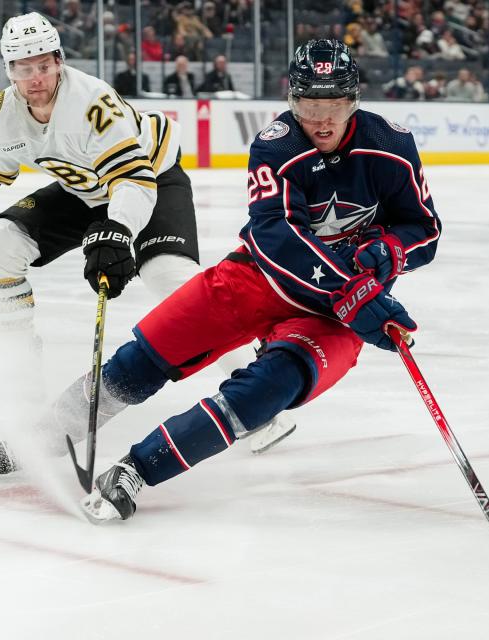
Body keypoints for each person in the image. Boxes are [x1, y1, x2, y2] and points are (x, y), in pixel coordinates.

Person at [70, 39, 441, 522]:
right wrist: (350, 290)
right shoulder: (277, 145)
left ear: (355, 99)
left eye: (336, 105)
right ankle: (43, 435)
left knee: (267, 391)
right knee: (146, 356)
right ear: (292, 99)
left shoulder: (391, 145)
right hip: (258, 280)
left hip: (336, 315)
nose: (323, 120)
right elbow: (274, 234)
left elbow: (425, 231)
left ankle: (137, 470)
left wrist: (391, 251)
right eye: (310, 105)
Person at [0, 13, 294, 464]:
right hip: (84, 189)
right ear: (9, 71)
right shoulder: (2, 114)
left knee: (169, 275)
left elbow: (132, 179)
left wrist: (118, 231)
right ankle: (22, 393)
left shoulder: (93, 103)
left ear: (60, 61)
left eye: (44, 65)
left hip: (151, 178)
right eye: (23, 68)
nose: (36, 78)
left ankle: (259, 393)